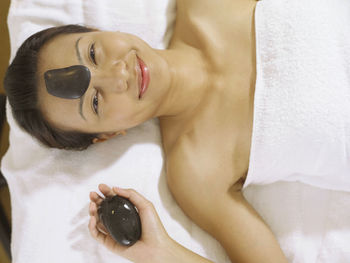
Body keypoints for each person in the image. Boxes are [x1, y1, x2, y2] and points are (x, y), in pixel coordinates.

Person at [4, 0, 292, 262]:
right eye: (94, 102)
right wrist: (161, 252)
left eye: (93, 52)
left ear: (96, 29)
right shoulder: (197, 171)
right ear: (109, 134)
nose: (119, 75)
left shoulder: (206, 5)